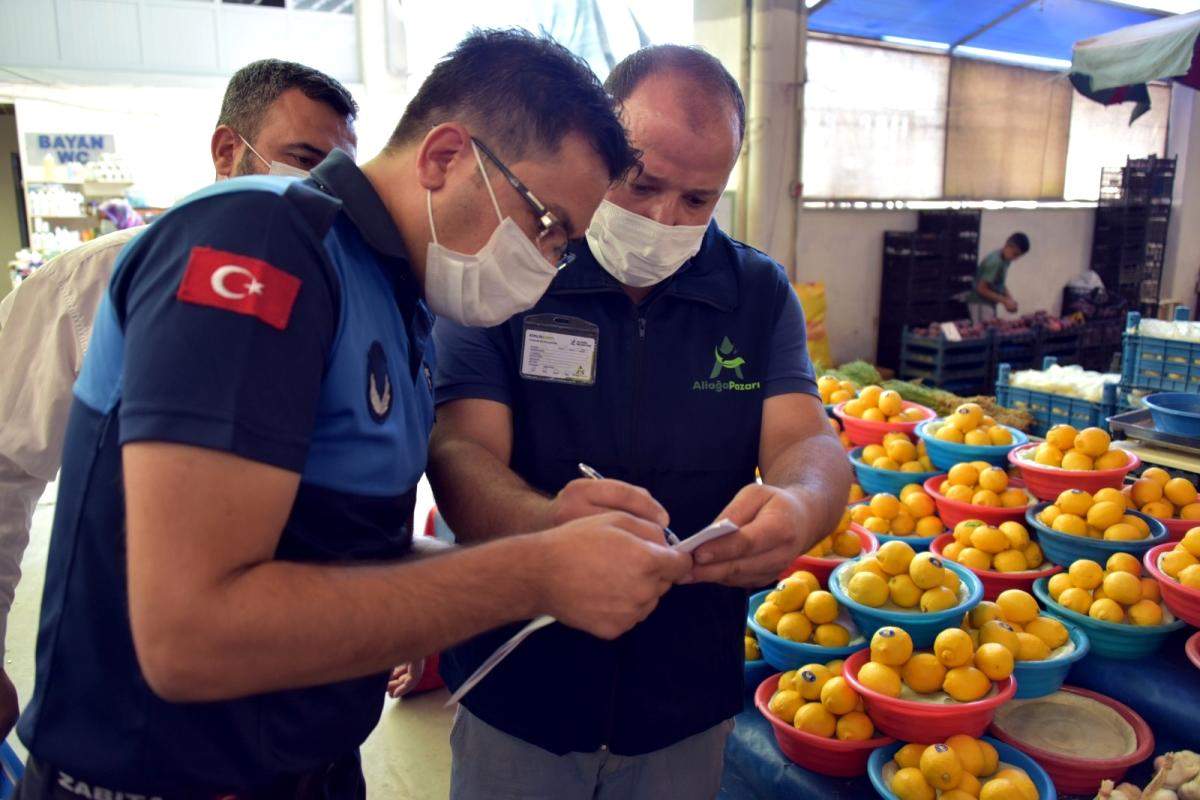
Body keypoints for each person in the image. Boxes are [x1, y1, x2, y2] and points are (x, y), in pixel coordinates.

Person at [15, 29, 690, 799]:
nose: (544, 259)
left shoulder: (395, 297)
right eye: (544, 221)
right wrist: (531, 576)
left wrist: (553, 536)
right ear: (443, 157)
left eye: (563, 243)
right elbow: (190, 634)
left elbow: (334, 554)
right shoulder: (264, 241)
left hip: (311, 767)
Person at [428, 44, 852, 799]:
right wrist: (545, 528)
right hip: (519, 684)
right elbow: (460, 448)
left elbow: (805, 440)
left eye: (698, 200)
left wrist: (801, 506)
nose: (663, 218)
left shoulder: (755, 294)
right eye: (642, 182)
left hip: (682, 702)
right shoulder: (515, 263)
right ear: (597, 143)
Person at [0, 57, 360, 742]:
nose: (321, 192)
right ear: (229, 151)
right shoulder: (96, 281)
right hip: (118, 713)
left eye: (337, 175)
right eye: (302, 159)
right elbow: (4, 466)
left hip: (290, 718)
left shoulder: (342, 299)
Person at [967, 231, 1030, 324]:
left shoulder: (1006, 259)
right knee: (984, 333)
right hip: (979, 303)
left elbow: (1000, 283)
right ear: (1008, 246)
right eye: (1015, 254)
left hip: (989, 303)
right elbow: (981, 289)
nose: (1015, 259)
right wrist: (1004, 301)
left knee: (991, 331)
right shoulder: (995, 262)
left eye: (1019, 256)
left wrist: (1009, 298)